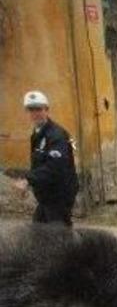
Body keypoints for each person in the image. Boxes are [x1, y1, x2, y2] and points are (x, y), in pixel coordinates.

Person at [11, 90, 79, 226]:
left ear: (47, 110)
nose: (35, 114)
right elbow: (38, 165)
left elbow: (55, 167)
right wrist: (30, 184)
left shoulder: (56, 135)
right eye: (31, 110)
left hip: (59, 197)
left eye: (38, 109)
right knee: (38, 234)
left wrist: (27, 180)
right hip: (46, 198)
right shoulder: (38, 134)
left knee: (58, 239)